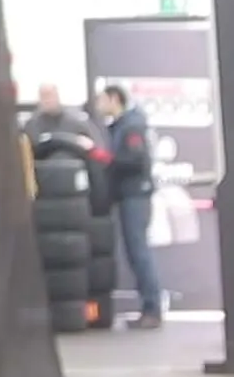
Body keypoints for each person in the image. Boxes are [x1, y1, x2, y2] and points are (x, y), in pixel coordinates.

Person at [96, 81, 167, 327]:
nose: (99, 104)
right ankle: (149, 308)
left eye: (102, 99)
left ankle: (153, 309)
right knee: (135, 252)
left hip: (136, 195)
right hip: (128, 195)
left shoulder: (132, 126)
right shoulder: (120, 126)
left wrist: (104, 158)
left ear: (114, 99)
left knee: (139, 252)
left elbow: (135, 160)